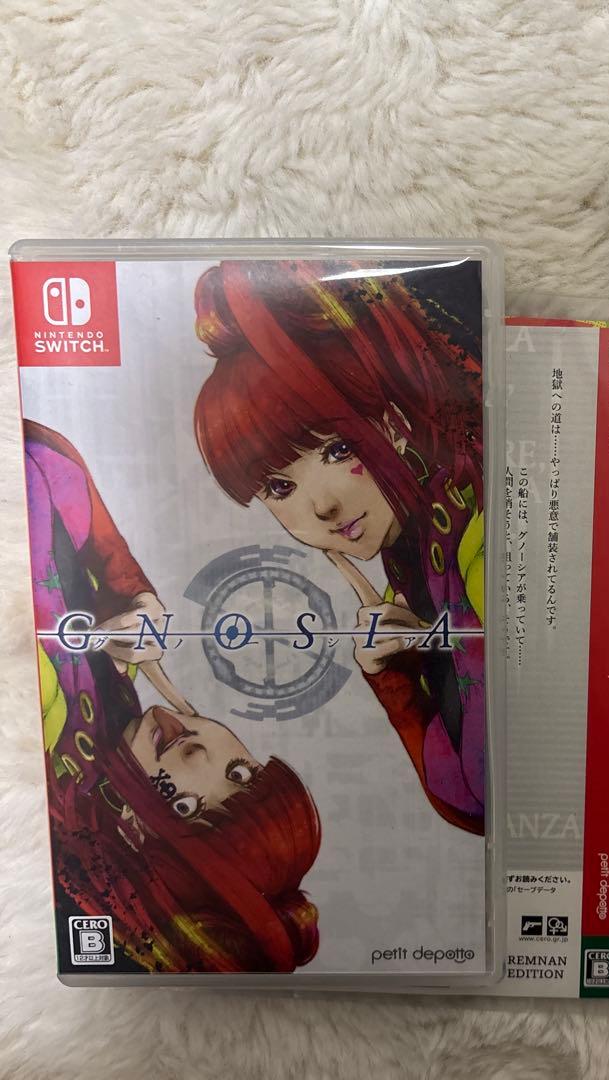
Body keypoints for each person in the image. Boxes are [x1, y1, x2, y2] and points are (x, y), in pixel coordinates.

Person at [192, 261, 485, 835]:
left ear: (391, 422)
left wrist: (407, 676)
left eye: (335, 450)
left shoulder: (470, 527)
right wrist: (396, 674)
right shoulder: (409, 561)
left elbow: (479, 797)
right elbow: (465, 804)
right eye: (280, 489)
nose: (322, 506)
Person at [26, 420, 321, 973]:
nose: (199, 754)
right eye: (240, 772)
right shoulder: (117, 704)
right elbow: (49, 465)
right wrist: (131, 595)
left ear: (137, 840)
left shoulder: (47, 782)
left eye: (187, 807)